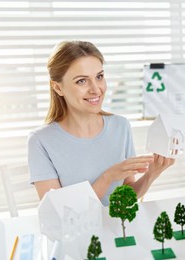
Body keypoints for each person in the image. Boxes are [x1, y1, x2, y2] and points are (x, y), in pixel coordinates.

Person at [28, 41, 174, 206]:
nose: (96, 89)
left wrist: (151, 175)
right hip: (76, 231)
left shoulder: (120, 126)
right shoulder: (41, 141)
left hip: (116, 228)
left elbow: (125, 198)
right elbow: (57, 211)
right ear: (58, 88)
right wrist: (108, 177)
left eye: (99, 76)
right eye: (82, 81)